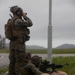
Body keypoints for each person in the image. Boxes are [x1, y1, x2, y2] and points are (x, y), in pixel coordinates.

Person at [5, 6, 33, 75]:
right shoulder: (18, 20)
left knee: (12, 62)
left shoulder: (10, 21)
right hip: (19, 44)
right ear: (18, 12)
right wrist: (25, 16)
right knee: (20, 62)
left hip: (12, 44)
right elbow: (30, 23)